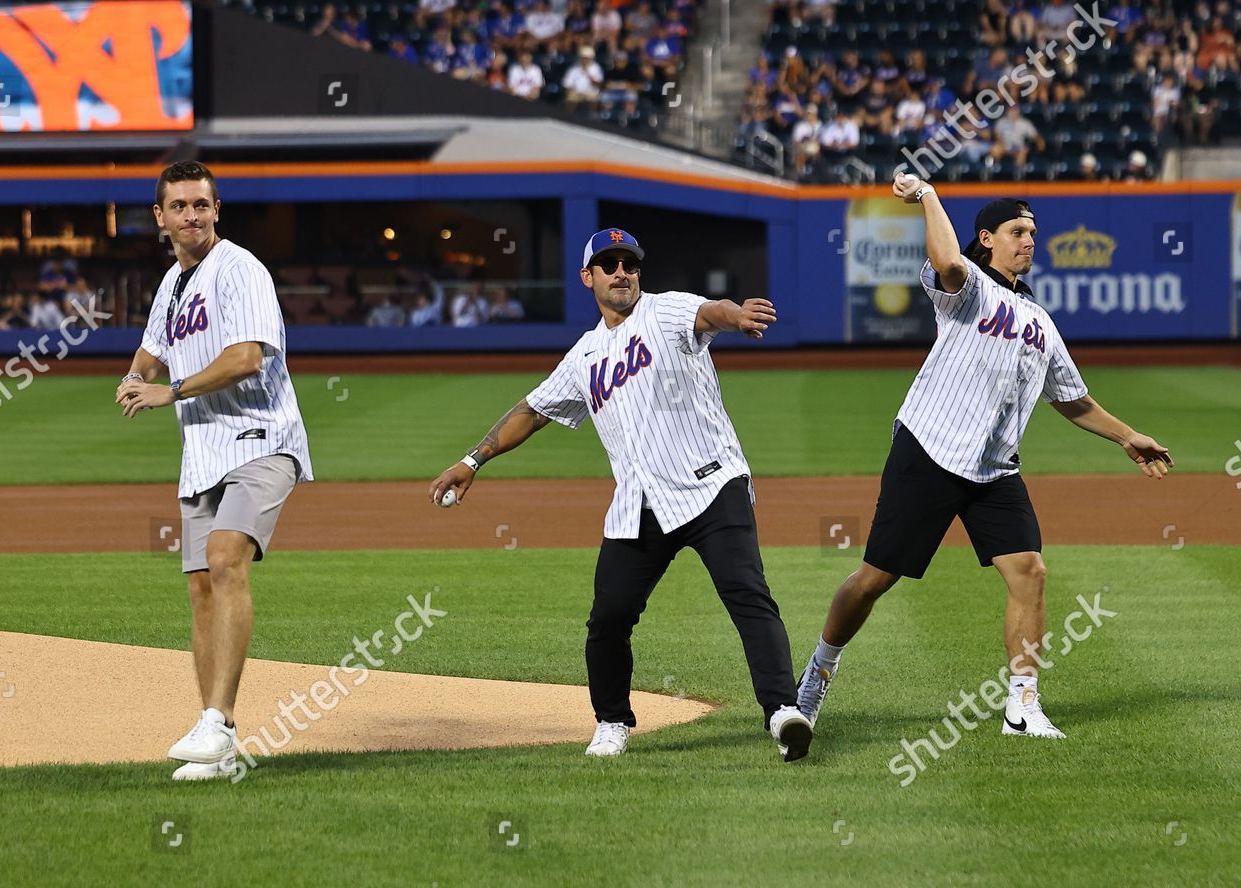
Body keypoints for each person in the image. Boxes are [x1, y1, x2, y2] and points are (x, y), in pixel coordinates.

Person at [796, 180, 1173, 741]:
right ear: (987, 239)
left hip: (996, 469)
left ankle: (1022, 706)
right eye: (1017, 233)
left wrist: (1126, 436)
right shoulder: (967, 290)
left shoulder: (1040, 321)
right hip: (929, 450)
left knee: (1030, 572)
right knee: (875, 579)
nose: (1028, 242)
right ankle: (819, 671)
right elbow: (946, 258)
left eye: (1033, 234)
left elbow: (1072, 399)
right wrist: (925, 193)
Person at [428, 229, 813, 762]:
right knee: (608, 620)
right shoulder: (585, 355)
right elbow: (532, 410)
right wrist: (474, 459)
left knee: (747, 595)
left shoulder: (666, 311)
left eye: (628, 263)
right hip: (640, 504)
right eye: (608, 264)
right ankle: (612, 721)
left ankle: (782, 712)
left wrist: (737, 315)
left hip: (711, 484)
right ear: (588, 277)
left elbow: (711, 312)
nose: (620, 272)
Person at [115, 160, 314, 781]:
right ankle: (219, 742)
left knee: (227, 556)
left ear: (216, 210)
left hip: (261, 439)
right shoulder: (173, 284)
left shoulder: (240, 269)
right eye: (179, 206)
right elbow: (152, 348)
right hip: (202, 453)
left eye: (201, 204)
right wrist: (134, 376)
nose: (191, 215)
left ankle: (215, 722)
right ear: (160, 217)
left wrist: (168, 392)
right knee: (201, 588)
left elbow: (247, 357)